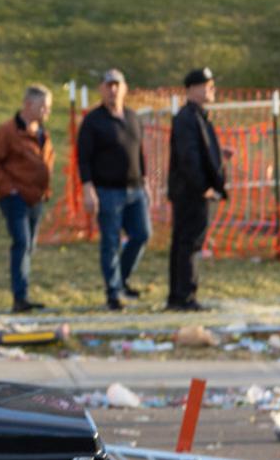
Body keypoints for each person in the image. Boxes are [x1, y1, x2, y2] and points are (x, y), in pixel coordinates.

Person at [77, 69, 151, 310]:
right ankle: (113, 291)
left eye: (117, 85)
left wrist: (146, 180)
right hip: (107, 190)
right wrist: (88, 188)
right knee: (110, 241)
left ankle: (122, 279)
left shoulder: (132, 116)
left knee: (141, 234)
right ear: (101, 89)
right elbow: (84, 157)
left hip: (135, 188)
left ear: (125, 88)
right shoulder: (93, 120)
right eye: (108, 86)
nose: (113, 90)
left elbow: (140, 151)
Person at [0, 85, 56, 314]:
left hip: (37, 197)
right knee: (22, 242)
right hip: (15, 198)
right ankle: (19, 297)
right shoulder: (8, 131)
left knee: (29, 245)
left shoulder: (43, 133)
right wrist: (9, 188)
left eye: (49, 107)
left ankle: (23, 293)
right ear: (27, 105)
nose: (46, 111)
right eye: (42, 106)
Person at [166, 67, 231, 312]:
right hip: (190, 192)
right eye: (207, 85)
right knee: (189, 244)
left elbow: (199, 149)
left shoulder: (197, 116)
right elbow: (188, 157)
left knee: (186, 243)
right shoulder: (187, 118)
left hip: (191, 190)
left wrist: (219, 154)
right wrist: (203, 187)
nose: (211, 90)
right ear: (192, 89)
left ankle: (179, 295)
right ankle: (184, 296)